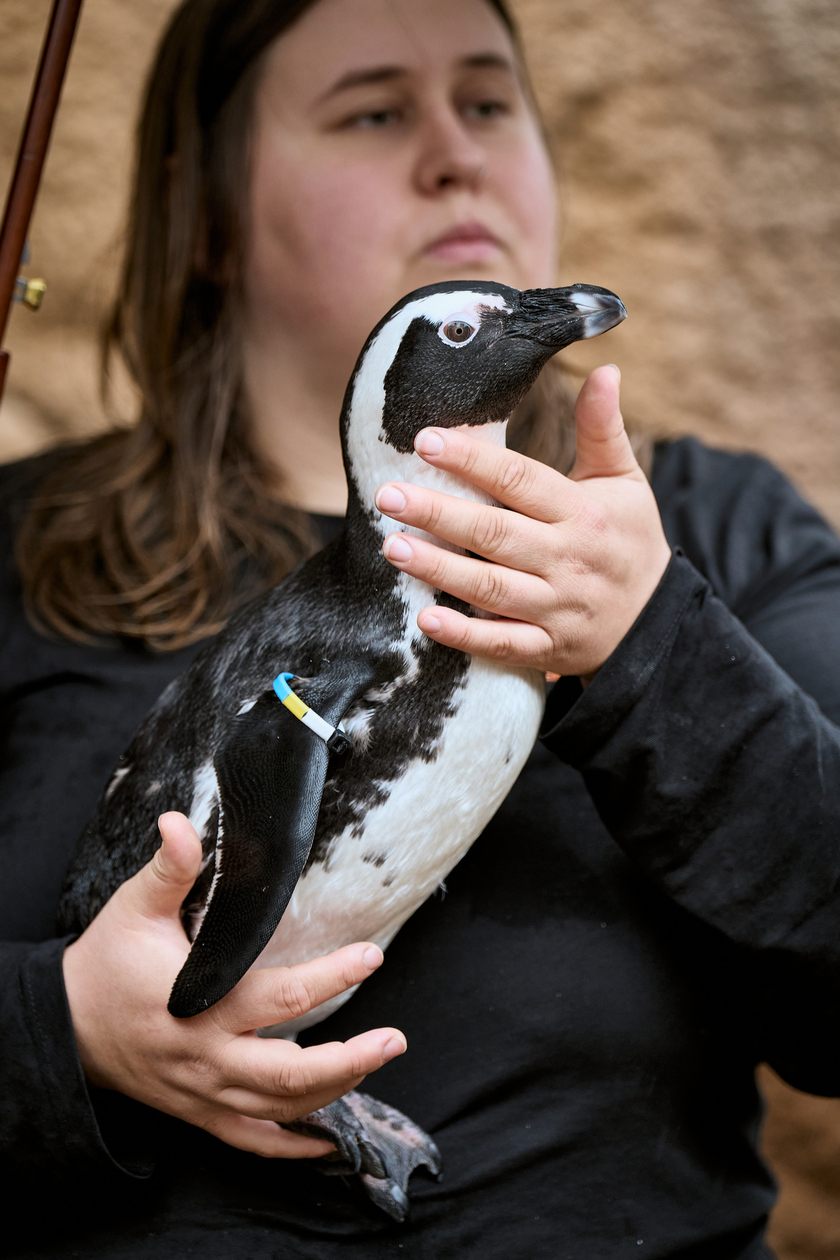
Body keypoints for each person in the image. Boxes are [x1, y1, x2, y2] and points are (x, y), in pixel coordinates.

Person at [2, 0, 839, 1255]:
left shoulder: (719, 534)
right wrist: (56, 1033)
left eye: (491, 101)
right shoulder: (20, 550)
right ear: (210, 208)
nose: (455, 151)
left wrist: (651, 640)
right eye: (376, 108)